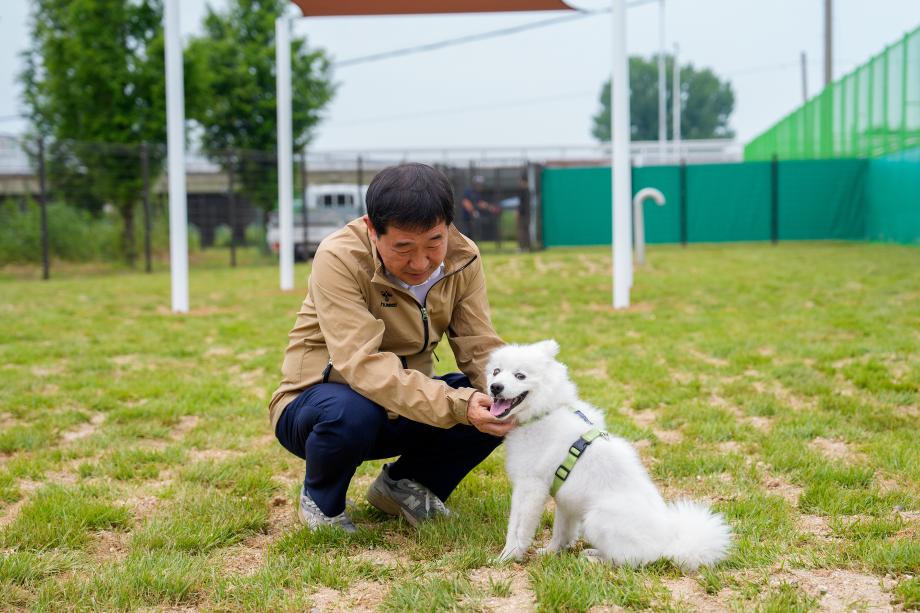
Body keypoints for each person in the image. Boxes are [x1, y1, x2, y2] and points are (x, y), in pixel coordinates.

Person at [270, 163, 512, 532]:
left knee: (494, 399)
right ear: (372, 228)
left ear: (449, 224)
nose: (420, 262)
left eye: (434, 242)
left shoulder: (464, 257)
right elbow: (361, 365)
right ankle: (323, 503)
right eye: (403, 247)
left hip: (405, 405)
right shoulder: (339, 257)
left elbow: (480, 348)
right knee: (352, 411)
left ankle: (406, 485)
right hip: (321, 405)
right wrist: (456, 405)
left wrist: (516, 396)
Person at [460, 175, 498, 242]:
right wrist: (473, 211)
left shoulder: (478, 193)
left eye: (481, 184)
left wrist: (489, 207)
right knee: (466, 235)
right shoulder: (468, 191)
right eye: (479, 184)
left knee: (473, 237)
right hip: (466, 219)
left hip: (473, 219)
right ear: (475, 184)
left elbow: (480, 203)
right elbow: (466, 203)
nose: (480, 186)